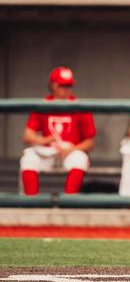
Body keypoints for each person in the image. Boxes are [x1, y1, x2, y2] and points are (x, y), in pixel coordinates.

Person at [19, 66, 96, 195]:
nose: (66, 89)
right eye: (62, 85)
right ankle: (31, 203)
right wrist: (45, 140)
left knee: (80, 158)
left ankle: (68, 202)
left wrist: (71, 149)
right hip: (47, 152)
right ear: (53, 85)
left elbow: (90, 143)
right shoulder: (43, 105)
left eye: (69, 86)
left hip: (70, 152)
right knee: (28, 158)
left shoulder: (80, 106)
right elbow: (27, 136)